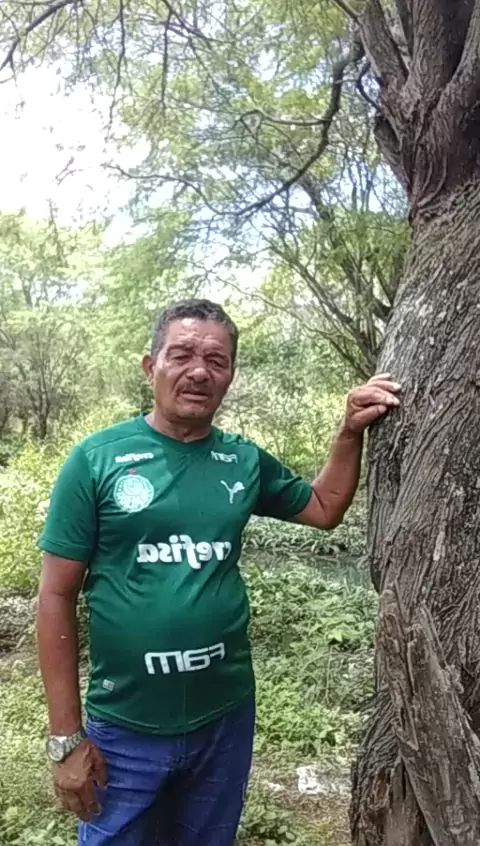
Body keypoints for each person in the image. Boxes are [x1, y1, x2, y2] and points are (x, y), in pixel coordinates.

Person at [37, 298, 400, 846]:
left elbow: (324, 508)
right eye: (181, 355)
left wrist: (349, 432)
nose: (199, 371)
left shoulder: (243, 461)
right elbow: (54, 595)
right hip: (125, 728)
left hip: (224, 718)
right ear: (150, 367)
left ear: (229, 375)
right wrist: (66, 738)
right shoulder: (96, 460)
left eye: (216, 360)